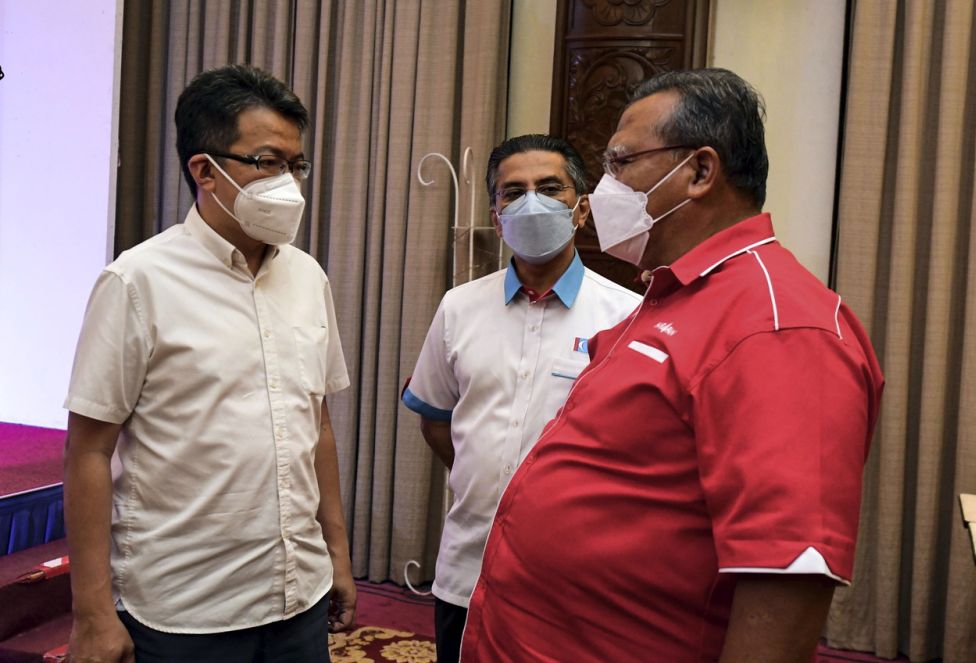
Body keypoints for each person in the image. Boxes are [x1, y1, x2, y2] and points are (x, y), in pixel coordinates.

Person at [460, 69, 885, 662]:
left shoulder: (779, 324)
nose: (604, 186)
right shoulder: (671, 293)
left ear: (699, 172)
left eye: (621, 162)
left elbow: (785, 580)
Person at [63, 64, 354, 662]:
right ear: (206, 170)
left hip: (297, 594)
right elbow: (89, 451)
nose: (290, 183)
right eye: (269, 162)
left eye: (296, 165)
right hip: (184, 609)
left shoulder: (306, 276)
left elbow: (315, 424)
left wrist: (338, 556)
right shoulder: (137, 282)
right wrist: (92, 611)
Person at [401, 134, 641, 663]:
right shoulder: (459, 307)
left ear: (580, 210)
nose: (531, 202)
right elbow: (438, 420)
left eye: (549, 188)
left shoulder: (627, 317)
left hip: (573, 582)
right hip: (468, 568)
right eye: (514, 192)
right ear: (496, 214)